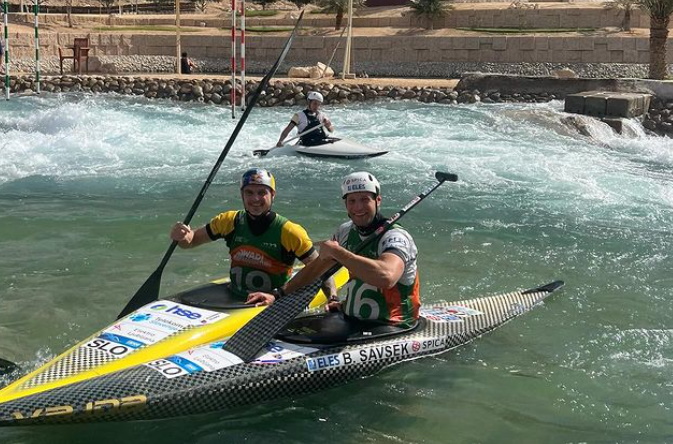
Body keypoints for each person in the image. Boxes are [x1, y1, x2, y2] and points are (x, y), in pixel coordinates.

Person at [248, 172, 420, 333]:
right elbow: (316, 270)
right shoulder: (345, 231)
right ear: (345, 204)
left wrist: (338, 253)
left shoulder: (395, 237)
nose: (358, 207)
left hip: (393, 326)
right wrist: (278, 294)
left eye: (364, 199)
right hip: (352, 319)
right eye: (351, 201)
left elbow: (386, 277)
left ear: (378, 200)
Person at [170, 168, 336, 304]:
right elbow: (191, 242)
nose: (255, 199)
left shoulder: (289, 231)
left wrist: (332, 299)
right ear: (242, 195)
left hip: (271, 301)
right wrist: (182, 237)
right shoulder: (229, 221)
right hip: (236, 296)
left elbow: (320, 268)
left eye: (262, 192)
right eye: (249, 192)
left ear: (273, 195)